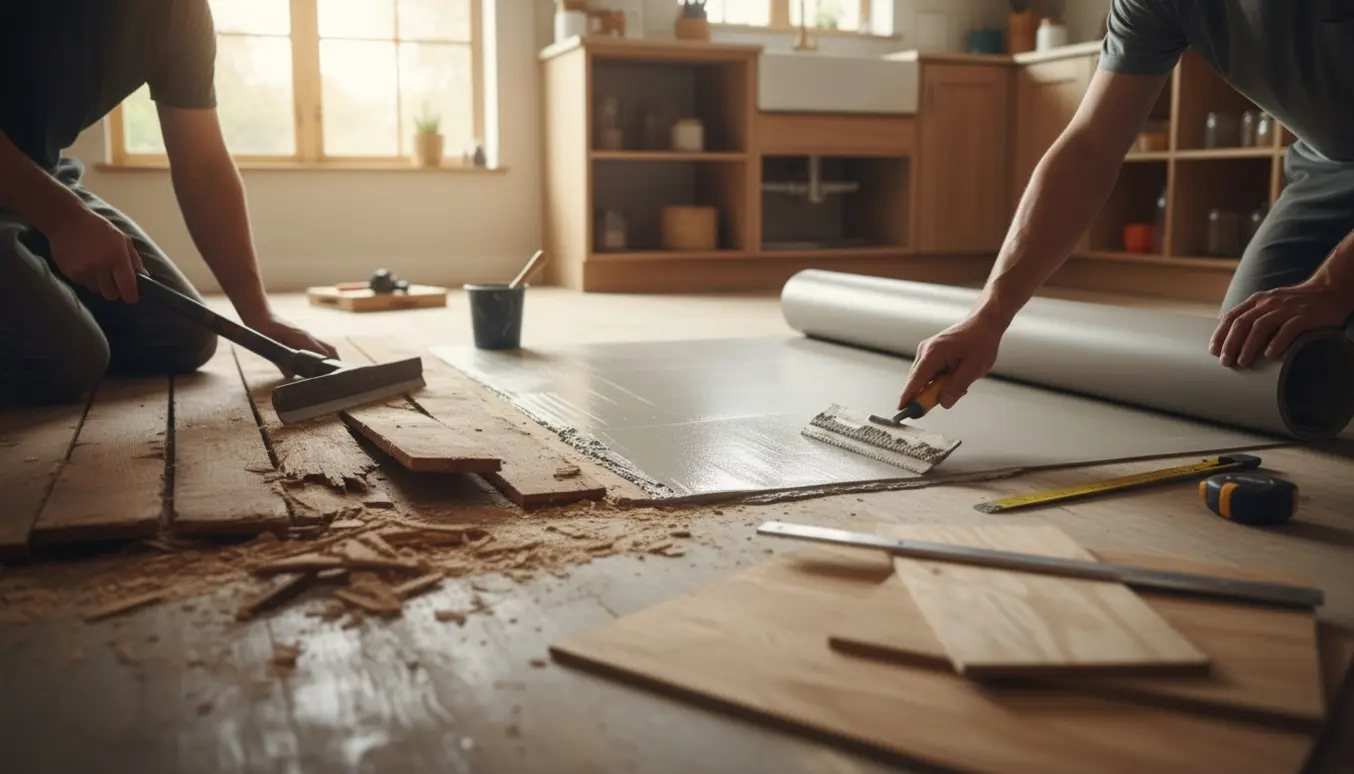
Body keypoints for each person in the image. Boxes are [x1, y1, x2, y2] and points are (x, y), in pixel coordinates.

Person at [899, 0, 1354, 413]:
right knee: (1255, 356)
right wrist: (989, 316)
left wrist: (1335, 287)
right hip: (1330, 168)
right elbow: (1088, 149)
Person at [0, 1, 336, 404]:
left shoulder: (179, 11)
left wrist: (258, 312)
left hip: (41, 174)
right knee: (66, 359)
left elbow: (203, 164)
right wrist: (61, 218)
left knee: (181, 337)